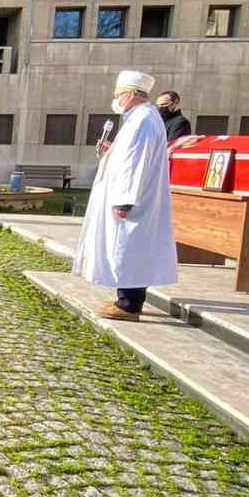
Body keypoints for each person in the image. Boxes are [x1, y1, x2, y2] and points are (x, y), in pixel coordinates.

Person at [73, 70, 178, 321]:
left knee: (128, 247)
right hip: (135, 197)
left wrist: (124, 200)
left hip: (132, 200)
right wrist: (112, 150)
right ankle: (126, 298)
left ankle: (128, 304)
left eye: (119, 94)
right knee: (130, 247)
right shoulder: (141, 118)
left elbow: (135, 163)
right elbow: (128, 155)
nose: (116, 99)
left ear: (131, 94)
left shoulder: (142, 120)